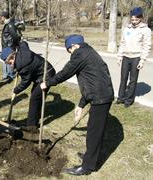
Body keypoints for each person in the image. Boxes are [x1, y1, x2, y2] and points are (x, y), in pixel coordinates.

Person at [40, 34, 114, 176]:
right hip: (100, 94)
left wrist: (47, 83)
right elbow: (90, 83)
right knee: (93, 131)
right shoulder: (88, 52)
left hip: (101, 97)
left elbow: (65, 73)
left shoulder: (80, 54)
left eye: (70, 50)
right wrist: (80, 105)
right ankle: (90, 157)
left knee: (94, 133)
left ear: (74, 46)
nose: (70, 54)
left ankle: (87, 167)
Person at [0, 41, 56, 132]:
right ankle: (35, 119)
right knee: (36, 97)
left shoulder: (23, 66)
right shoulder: (22, 51)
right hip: (43, 71)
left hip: (47, 75)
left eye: (9, 62)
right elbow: (23, 43)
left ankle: (31, 125)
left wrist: (16, 90)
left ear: (13, 56)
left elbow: (26, 82)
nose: (9, 64)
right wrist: (18, 43)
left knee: (34, 98)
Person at [116, 7, 151, 108]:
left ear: (141, 18)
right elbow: (122, 43)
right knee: (123, 78)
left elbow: (146, 46)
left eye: (136, 19)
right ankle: (121, 97)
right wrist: (119, 56)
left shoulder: (146, 30)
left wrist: (142, 60)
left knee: (132, 80)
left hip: (136, 57)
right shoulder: (127, 29)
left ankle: (129, 100)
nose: (134, 21)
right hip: (126, 56)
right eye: (132, 19)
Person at [0, 11, 19, 80]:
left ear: (4, 17)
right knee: (5, 60)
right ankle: (5, 75)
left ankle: (11, 75)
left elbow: (14, 36)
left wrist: (15, 45)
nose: (0, 18)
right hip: (5, 46)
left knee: (10, 60)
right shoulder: (6, 24)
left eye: (1, 16)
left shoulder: (10, 24)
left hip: (9, 46)